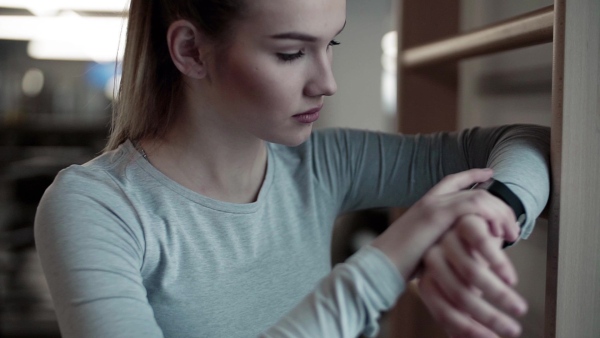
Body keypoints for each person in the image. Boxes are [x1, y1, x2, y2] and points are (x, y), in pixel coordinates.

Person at [33, 0, 550, 337]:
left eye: (332, 44)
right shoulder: (96, 207)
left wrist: (490, 213)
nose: (327, 82)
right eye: (290, 53)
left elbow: (525, 142)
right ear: (191, 51)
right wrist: (385, 264)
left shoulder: (324, 164)